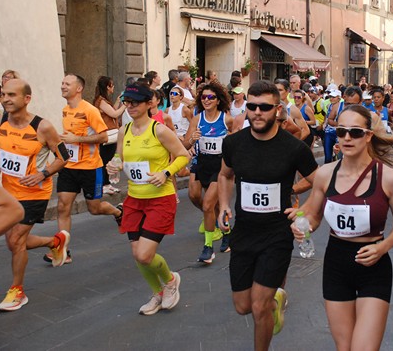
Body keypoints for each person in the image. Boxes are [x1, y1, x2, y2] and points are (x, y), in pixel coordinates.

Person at [289, 104, 393, 351]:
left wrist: (383, 247)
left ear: (368, 136)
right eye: (341, 131)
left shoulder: (389, 178)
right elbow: (312, 216)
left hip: (373, 265)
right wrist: (302, 227)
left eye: (355, 132)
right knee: (344, 347)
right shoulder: (325, 174)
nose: (347, 137)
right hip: (336, 264)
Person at [217, 81, 317, 350]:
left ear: (277, 109)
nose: (257, 112)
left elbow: (320, 183)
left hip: (277, 235)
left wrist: (303, 209)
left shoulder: (293, 148)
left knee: (259, 307)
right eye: (252, 106)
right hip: (244, 233)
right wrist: (224, 204)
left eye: (264, 107)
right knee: (243, 307)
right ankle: (276, 301)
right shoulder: (234, 143)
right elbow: (225, 175)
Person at [106, 83, 189, 315]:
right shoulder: (125, 131)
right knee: (137, 254)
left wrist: (165, 173)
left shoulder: (159, 130)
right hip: (134, 199)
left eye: (135, 103)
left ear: (148, 104)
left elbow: (184, 155)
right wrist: (114, 165)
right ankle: (158, 293)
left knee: (145, 254)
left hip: (160, 200)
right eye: (127, 102)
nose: (130, 107)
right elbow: (119, 157)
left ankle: (171, 280)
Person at [0, 79, 71, 311]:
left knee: (16, 240)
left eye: (12, 95)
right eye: (3, 94)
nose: (6, 99)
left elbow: (64, 156)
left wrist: (43, 174)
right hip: (7, 193)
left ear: (26, 99)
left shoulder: (42, 127)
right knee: (13, 242)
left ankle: (17, 291)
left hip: (33, 192)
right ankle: (55, 241)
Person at [48, 74, 123, 264]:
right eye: (62, 83)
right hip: (69, 167)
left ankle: (118, 213)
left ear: (78, 88)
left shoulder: (90, 110)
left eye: (67, 84)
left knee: (95, 208)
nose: (62, 86)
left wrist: (77, 140)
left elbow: (104, 137)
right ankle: (62, 250)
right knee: (63, 207)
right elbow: (69, 137)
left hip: (91, 168)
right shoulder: (66, 110)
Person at [184, 81, 234, 263]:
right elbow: (185, 144)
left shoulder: (226, 119)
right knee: (194, 196)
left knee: (207, 205)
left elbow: (236, 143)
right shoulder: (197, 119)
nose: (206, 100)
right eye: (203, 97)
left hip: (219, 166)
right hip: (201, 161)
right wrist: (192, 139)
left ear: (218, 100)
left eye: (210, 97)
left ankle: (208, 248)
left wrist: (230, 142)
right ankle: (227, 230)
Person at [93, 76, 126, 195]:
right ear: (107, 86)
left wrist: (118, 102)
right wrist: (125, 105)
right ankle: (104, 184)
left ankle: (107, 184)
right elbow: (115, 113)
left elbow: (111, 113)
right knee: (106, 159)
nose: (113, 87)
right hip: (107, 134)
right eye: (112, 85)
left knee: (108, 158)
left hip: (110, 134)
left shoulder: (104, 100)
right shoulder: (101, 101)